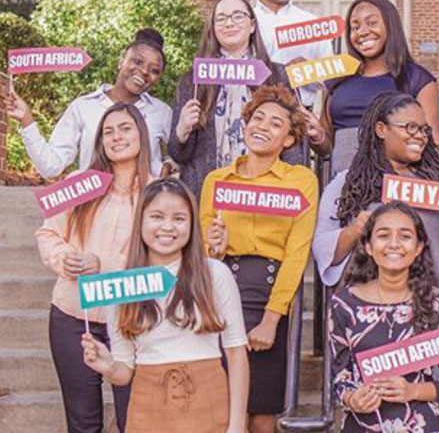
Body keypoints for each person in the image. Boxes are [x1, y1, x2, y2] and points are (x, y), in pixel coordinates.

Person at [81, 177, 249, 433]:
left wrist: (236, 426)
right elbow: (125, 371)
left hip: (208, 402)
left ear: (192, 225)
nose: (168, 227)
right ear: (141, 221)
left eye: (179, 219)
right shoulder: (123, 284)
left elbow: (237, 353)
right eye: (157, 217)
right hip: (147, 408)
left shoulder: (214, 274)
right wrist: (108, 366)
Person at [199, 85, 319, 433]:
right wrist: (214, 247)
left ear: (290, 139)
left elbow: (297, 254)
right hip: (222, 290)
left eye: (276, 123)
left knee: (263, 414)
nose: (263, 126)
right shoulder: (216, 180)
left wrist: (271, 319)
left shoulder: (302, 181)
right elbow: (206, 254)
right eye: (258, 117)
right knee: (222, 406)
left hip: (269, 293)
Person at [35, 103, 153, 432]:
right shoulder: (79, 183)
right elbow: (47, 233)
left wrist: (104, 264)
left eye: (125, 128)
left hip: (135, 321)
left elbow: (165, 260)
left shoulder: (157, 191)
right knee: (83, 423)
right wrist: (63, 259)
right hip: (73, 316)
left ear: (141, 134)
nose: (116, 136)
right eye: (108, 131)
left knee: (136, 421)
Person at [313, 91, 439, 312]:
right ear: (381, 129)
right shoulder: (349, 183)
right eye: (410, 127)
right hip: (371, 316)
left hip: (435, 314)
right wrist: (355, 230)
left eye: (423, 129)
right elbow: (323, 250)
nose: (419, 136)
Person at [329, 201, 439, 433]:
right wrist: (353, 398)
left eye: (405, 236)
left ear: (419, 246)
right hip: (363, 424)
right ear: (369, 246)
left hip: (421, 424)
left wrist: (414, 391)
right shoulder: (344, 304)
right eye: (383, 235)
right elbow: (339, 376)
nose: (394, 244)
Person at [168, 0, 302, 197]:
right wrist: (182, 129)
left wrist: (290, 188)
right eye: (221, 18)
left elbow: (292, 145)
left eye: (237, 16)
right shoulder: (193, 80)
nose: (229, 23)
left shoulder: (277, 75)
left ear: (252, 25)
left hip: (262, 194)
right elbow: (179, 154)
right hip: (205, 194)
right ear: (213, 28)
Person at [305, 0, 439, 176]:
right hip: (345, 188)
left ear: (391, 25)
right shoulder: (336, 81)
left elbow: (433, 142)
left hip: (396, 188)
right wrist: (317, 136)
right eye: (355, 27)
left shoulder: (417, 79)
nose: (362, 32)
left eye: (371, 23)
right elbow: (327, 147)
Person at [6, 28, 172, 179]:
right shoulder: (84, 107)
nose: (144, 71)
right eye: (137, 61)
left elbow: (183, 155)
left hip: (144, 206)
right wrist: (26, 120)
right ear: (121, 61)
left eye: (154, 70)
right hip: (95, 207)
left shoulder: (162, 112)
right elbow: (50, 167)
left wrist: (169, 166)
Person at [252, 0, 333, 108]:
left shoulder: (312, 23)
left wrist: (308, 72)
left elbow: (331, 78)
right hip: (253, 112)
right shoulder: (245, 22)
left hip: (300, 115)